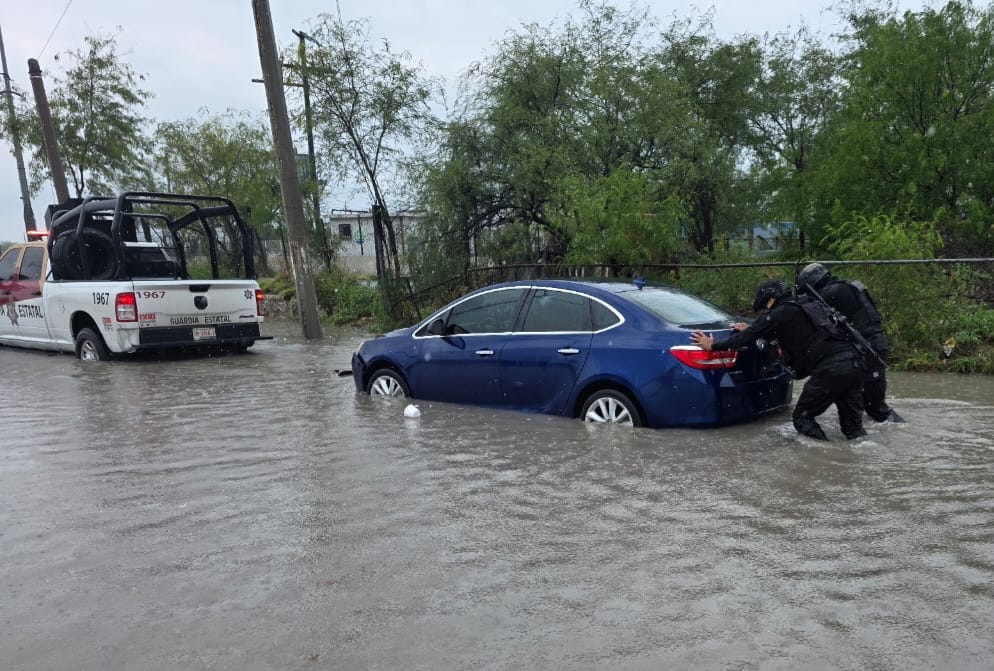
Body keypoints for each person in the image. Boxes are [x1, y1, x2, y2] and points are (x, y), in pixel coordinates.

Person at [690, 279, 866, 441]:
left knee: (802, 418)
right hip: (855, 363)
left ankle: (824, 459)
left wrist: (712, 346)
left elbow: (747, 337)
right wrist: (753, 327)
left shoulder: (780, 312)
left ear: (771, 300)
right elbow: (794, 329)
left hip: (831, 370)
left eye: (766, 307)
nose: (767, 311)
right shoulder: (807, 304)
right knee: (854, 430)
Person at [796, 263, 903, 423]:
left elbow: (806, 314)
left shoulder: (832, 292)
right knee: (867, 404)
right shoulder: (849, 287)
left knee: (876, 409)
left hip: (868, 349)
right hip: (875, 345)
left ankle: (892, 435)